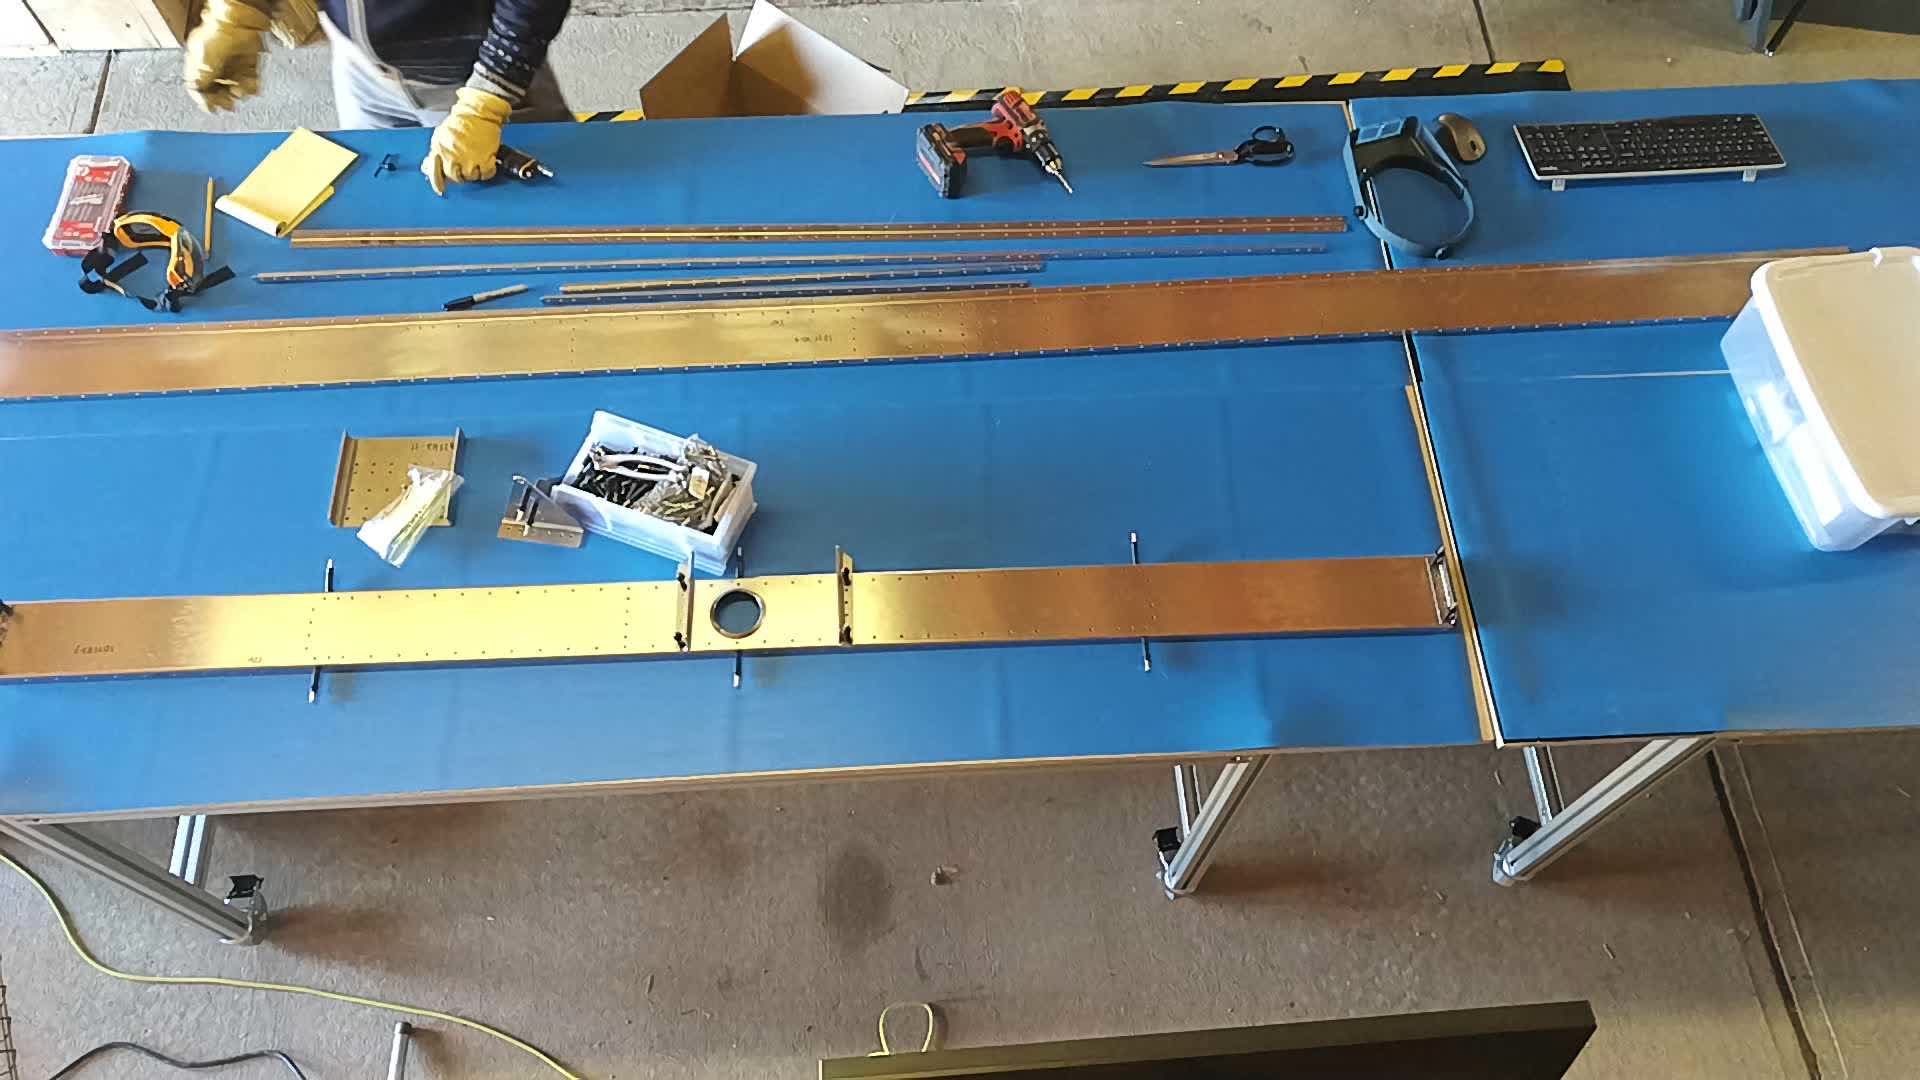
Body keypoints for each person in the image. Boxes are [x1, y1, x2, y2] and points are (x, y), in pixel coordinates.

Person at [183, 0, 572, 194]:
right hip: (361, 68)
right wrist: (236, 12)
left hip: (476, 76)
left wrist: (487, 101)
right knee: (383, 192)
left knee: (541, 213)